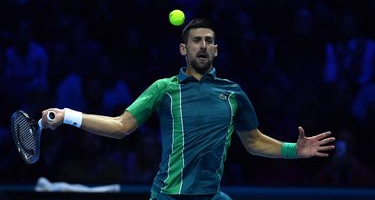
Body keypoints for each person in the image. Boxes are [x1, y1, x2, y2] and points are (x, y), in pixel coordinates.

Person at [41, 18, 335, 200]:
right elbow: (121, 127)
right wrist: (69, 116)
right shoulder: (164, 88)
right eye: (196, 41)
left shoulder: (233, 93)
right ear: (184, 49)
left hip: (211, 195)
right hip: (168, 195)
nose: (203, 46)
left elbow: (254, 141)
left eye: (209, 41)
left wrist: (293, 151)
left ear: (216, 50)